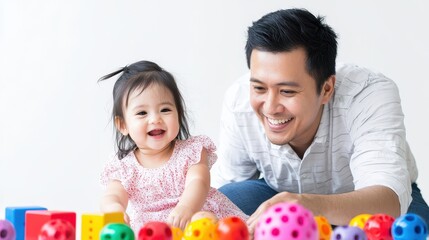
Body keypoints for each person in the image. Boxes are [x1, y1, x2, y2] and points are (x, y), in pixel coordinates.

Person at [210, 8, 429, 234]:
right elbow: (222, 190)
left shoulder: (368, 93)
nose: (270, 107)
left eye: (286, 91)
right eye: (259, 88)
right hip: (280, 197)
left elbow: (388, 200)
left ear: (326, 89)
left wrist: (310, 205)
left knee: (400, 230)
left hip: (368, 203)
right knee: (228, 200)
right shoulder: (238, 100)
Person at [98, 60, 248, 232]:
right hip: (152, 230)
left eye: (165, 110)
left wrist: (186, 208)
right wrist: (114, 209)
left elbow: (199, 182)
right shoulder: (123, 167)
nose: (155, 119)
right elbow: (113, 194)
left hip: (193, 216)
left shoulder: (190, 151)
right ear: (123, 125)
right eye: (142, 113)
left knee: (204, 220)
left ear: (178, 113)